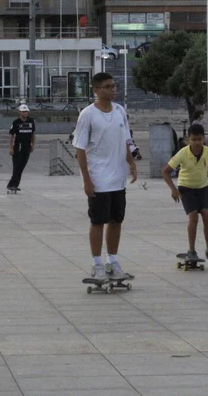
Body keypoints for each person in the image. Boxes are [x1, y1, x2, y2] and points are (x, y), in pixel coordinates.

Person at [72, 72, 138, 281]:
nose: (112, 90)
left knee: (116, 220)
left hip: (118, 178)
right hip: (99, 178)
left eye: (113, 86)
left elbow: (125, 140)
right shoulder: (88, 115)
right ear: (96, 90)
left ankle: (113, 262)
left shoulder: (120, 111)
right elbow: (80, 150)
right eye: (108, 87)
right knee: (98, 221)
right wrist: (86, 180)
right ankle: (97, 264)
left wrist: (131, 163)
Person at [161, 123, 208, 265]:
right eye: (194, 139)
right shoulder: (182, 153)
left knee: (207, 216)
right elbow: (165, 171)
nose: (197, 143)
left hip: (203, 188)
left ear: (203, 139)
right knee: (193, 218)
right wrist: (174, 190)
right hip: (186, 188)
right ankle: (191, 250)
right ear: (188, 140)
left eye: (200, 139)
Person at [7, 104, 35, 191]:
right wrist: (11, 148)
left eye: (26, 111)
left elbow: (33, 134)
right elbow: (11, 135)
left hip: (27, 146)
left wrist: (33, 144)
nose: (25, 113)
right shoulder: (16, 122)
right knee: (17, 166)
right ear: (20, 113)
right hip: (18, 146)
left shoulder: (31, 121)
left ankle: (15, 184)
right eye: (23, 112)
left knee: (22, 165)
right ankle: (11, 184)